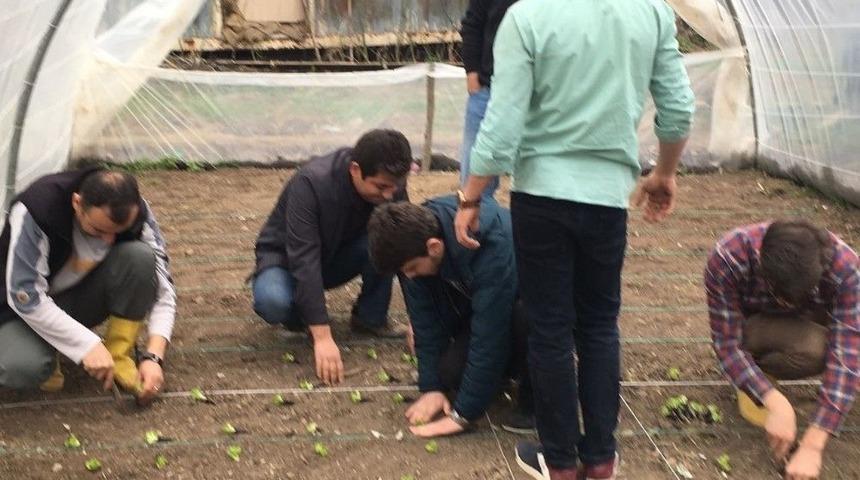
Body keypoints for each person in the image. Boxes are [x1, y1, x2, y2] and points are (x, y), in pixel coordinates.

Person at [453, 0, 695, 478]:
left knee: (550, 329)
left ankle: (560, 461)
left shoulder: (528, 16)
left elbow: (502, 123)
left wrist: (470, 197)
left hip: (542, 196)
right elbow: (679, 107)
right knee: (601, 325)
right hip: (607, 198)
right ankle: (601, 457)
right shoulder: (650, 12)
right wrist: (665, 173)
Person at [0, 168, 175, 404]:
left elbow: (163, 290)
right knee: (23, 366)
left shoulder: (134, 213)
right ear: (77, 203)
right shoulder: (38, 209)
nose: (108, 240)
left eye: (118, 232)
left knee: (139, 257)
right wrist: (86, 344)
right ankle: (39, 347)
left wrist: (154, 357)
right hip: (13, 311)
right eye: (98, 230)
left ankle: (118, 354)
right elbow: (25, 296)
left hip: (73, 298)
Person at [252, 129, 412, 386]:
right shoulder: (313, 183)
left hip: (338, 256)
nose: (389, 195)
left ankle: (370, 318)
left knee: (388, 239)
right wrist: (323, 337)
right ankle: (298, 318)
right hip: (286, 261)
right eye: (381, 187)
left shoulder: (391, 185)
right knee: (273, 300)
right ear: (355, 170)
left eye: (395, 187)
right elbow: (304, 260)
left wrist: (420, 321)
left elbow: (404, 243)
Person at [367, 197, 533, 438]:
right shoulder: (412, 246)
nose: (409, 276)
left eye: (412, 268)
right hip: (489, 309)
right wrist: (432, 387)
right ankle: (501, 372)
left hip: (542, 309)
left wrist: (462, 415)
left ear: (434, 247)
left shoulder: (490, 245)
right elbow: (425, 322)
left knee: (525, 316)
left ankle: (534, 401)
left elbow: (489, 334)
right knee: (450, 373)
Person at [706, 221, 860, 480]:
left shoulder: (845, 269)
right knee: (812, 348)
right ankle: (758, 376)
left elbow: (846, 354)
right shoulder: (730, 257)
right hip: (755, 330)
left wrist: (813, 444)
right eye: (779, 295)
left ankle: (760, 381)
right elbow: (728, 345)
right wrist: (775, 401)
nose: (787, 303)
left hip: (810, 323)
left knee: (828, 349)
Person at [458, 0, 518, 198]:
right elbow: (472, 25)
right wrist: (472, 75)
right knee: (474, 175)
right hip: (488, 90)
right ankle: (475, 223)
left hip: (539, 93)